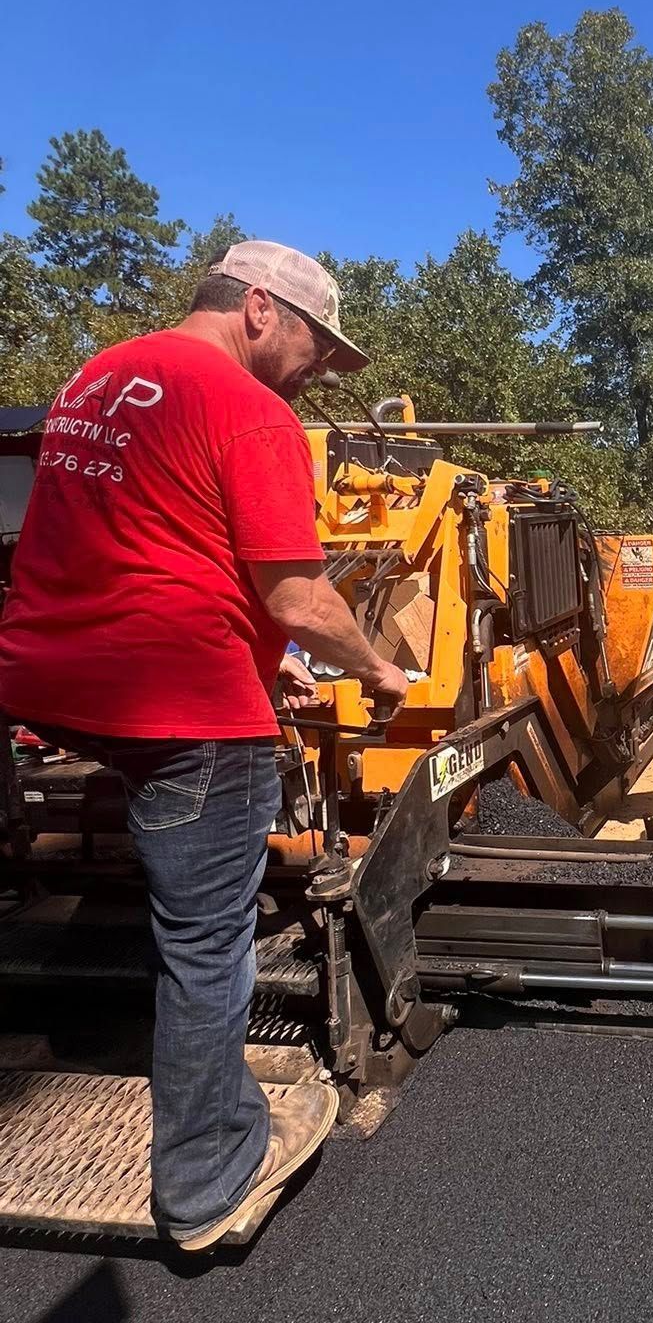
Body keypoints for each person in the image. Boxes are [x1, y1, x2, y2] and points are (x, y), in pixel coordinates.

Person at [0, 240, 410, 1249]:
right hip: (184, 710)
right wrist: (379, 667)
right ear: (261, 310)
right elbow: (300, 595)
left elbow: (152, 541)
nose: (319, 372)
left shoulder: (98, 378)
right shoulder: (250, 409)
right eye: (318, 345)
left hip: (53, 684)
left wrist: (264, 655)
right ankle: (207, 1176)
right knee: (206, 943)